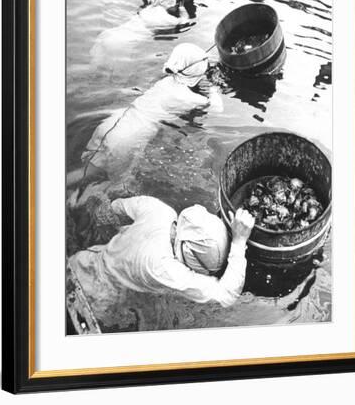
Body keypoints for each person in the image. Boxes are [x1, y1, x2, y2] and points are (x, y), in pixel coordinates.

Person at [69, 42, 223, 196]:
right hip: (129, 137)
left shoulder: (165, 82)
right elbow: (217, 109)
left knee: (88, 170)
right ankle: (78, 199)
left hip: (114, 123)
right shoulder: (189, 98)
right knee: (115, 183)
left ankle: (67, 189)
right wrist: (212, 87)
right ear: (197, 71)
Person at [68, 196, 255, 316]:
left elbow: (113, 209)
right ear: (187, 254)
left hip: (84, 259)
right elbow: (226, 296)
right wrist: (239, 243)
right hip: (95, 297)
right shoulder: (163, 267)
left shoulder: (158, 209)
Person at [89, 0, 189, 86]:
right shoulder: (165, 18)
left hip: (110, 35)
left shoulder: (147, 10)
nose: (177, 1)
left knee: (98, 73)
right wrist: (182, 6)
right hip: (122, 45)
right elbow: (184, 20)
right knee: (117, 82)